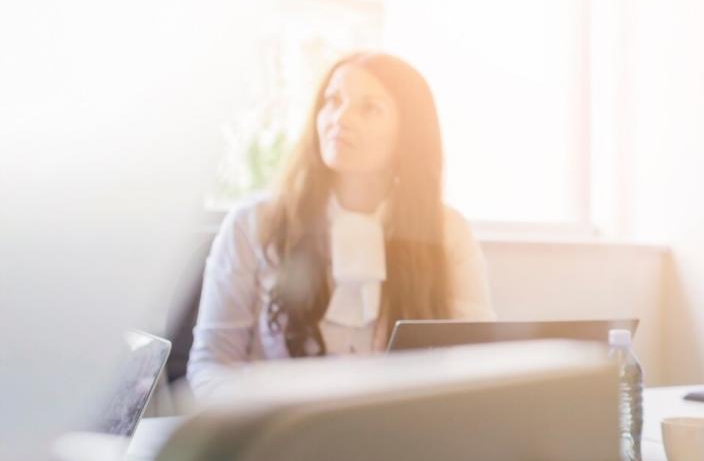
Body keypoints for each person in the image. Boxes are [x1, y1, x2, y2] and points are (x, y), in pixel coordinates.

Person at [187, 52, 494, 398]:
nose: (340, 119)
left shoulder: (448, 232)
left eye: (369, 108)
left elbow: (476, 365)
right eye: (332, 101)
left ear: (409, 132)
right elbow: (211, 366)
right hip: (279, 440)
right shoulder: (253, 223)